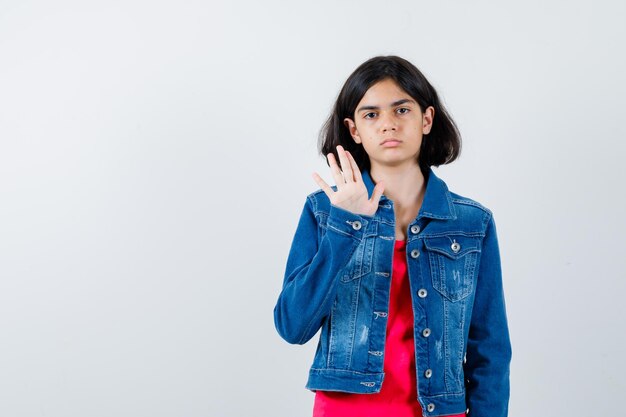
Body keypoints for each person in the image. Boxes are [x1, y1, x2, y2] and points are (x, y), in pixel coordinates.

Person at [273, 55, 512, 417]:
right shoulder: (324, 213)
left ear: (426, 119)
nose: (388, 125)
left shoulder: (471, 222)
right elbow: (293, 326)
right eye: (371, 115)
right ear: (354, 130)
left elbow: (490, 348)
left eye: (402, 110)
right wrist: (345, 226)